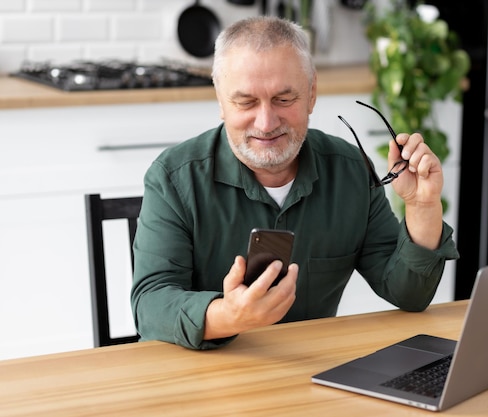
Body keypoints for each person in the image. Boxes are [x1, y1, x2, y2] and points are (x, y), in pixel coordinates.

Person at [131, 16, 460, 350]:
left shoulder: (351, 171)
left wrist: (422, 207)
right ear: (220, 100)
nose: (266, 122)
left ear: (312, 93)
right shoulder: (172, 178)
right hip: (199, 380)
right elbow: (150, 306)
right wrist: (229, 315)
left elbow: (408, 294)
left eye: (284, 99)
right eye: (246, 102)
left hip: (312, 374)